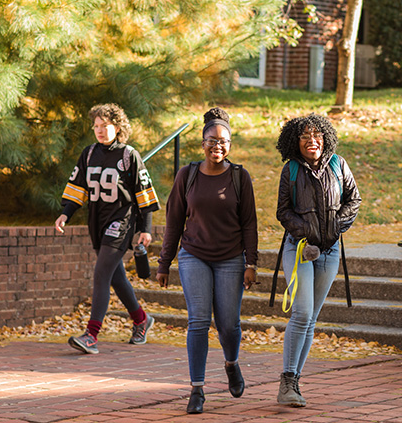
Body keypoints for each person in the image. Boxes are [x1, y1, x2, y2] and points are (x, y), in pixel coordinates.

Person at [156, 108, 258, 415]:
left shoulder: (240, 178)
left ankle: (231, 364)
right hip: (194, 256)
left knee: (228, 323)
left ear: (230, 144)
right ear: (203, 142)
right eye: (212, 140)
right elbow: (173, 221)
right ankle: (197, 389)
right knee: (198, 321)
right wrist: (164, 263)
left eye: (224, 141)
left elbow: (249, 224)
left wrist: (251, 263)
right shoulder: (187, 176)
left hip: (230, 258)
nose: (218, 145)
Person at [55, 103, 159, 354]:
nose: (100, 131)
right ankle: (141, 320)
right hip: (97, 221)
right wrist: (65, 213)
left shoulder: (129, 155)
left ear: (118, 127)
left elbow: (143, 193)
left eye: (105, 125)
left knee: (101, 273)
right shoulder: (89, 154)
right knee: (116, 276)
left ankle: (91, 334)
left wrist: (145, 228)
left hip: (122, 221)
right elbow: (77, 187)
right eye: (96, 126)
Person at [274, 113, 361, 407]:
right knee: (301, 312)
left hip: (331, 250)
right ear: (295, 142)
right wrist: (308, 232)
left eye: (317, 135)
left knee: (311, 319)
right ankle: (286, 381)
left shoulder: (339, 165)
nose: (312, 141)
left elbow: (354, 200)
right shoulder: (291, 171)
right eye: (305, 137)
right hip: (299, 248)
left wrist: (334, 227)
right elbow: (283, 211)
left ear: (325, 138)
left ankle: (294, 383)